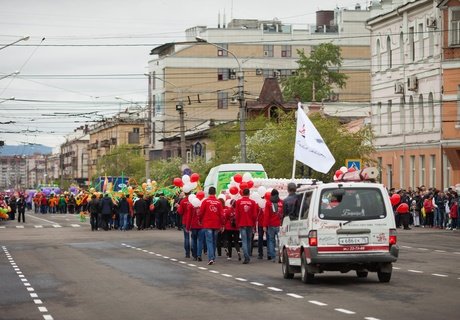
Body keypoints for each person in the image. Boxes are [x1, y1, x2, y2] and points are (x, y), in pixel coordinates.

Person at [199, 187, 224, 265]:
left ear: (209, 193)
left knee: (209, 241)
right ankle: (213, 257)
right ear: (215, 192)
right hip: (216, 224)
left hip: (207, 224)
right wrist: (222, 224)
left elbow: (201, 212)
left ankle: (211, 258)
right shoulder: (218, 202)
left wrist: (200, 220)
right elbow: (222, 214)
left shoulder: (205, 201)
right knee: (214, 241)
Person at [235, 188, 258, 264]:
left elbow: (237, 214)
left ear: (242, 193)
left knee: (244, 241)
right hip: (250, 224)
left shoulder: (238, 202)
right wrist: (254, 225)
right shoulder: (253, 202)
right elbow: (255, 215)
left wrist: (237, 224)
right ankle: (247, 256)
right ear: (249, 194)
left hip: (242, 224)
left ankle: (246, 256)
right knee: (249, 241)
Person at [263, 188, 284, 261]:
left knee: (271, 241)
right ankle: (280, 256)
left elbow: (266, 215)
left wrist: (264, 225)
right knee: (280, 241)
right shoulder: (282, 202)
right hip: (280, 225)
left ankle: (273, 256)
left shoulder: (268, 203)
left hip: (271, 225)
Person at [177, 192, 191, 258]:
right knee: (194, 237)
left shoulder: (183, 201)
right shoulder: (193, 200)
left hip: (185, 221)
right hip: (192, 221)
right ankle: (195, 253)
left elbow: (180, 212)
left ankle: (187, 253)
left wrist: (178, 207)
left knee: (186, 237)